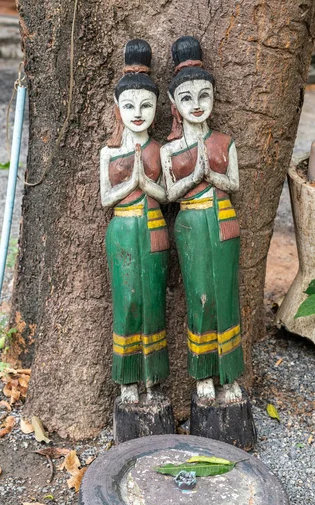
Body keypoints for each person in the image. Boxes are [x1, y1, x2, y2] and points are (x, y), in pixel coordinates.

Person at [160, 36, 243, 403]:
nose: (197, 105)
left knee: (226, 296)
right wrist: (196, 176)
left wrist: (212, 174)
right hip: (191, 224)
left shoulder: (224, 142)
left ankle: (229, 374)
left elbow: (233, 183)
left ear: (213, 97)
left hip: (223, 220)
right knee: (202, 298)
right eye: (188, 97)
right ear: (174, 103)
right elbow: (169, 194)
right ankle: (202, 375)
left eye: (204, 96)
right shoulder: (170, 149)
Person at [100, 39, 169, 405]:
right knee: (127, 301)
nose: (137, 112)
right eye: (129, 105)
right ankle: (127, 379)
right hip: (123, 229)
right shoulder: (110, 152)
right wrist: (134, 181)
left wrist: (149, 183)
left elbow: (168, 195)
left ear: (158, 108)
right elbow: (106, 199)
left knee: (153, 299)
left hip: (154, 227)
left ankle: (153, 377)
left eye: (145, 105)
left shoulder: (160, 150)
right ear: (118, 108)